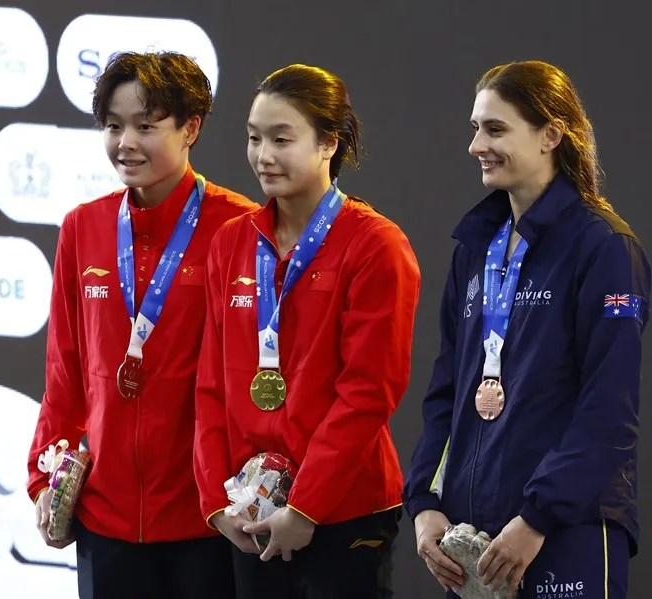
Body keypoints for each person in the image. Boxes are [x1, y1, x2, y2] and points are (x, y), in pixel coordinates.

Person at [403, 60, 651, 599]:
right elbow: (447, 390)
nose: (476, 145)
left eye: (495, 129)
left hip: (566, 529)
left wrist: (536, 518)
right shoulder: (475, 249)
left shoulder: (604, 247)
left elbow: (608, 408)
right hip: (476, 538)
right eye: (475, 128)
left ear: (550, 135)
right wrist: (425, 503)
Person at [26, 51, 257, 599]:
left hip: (206, 518)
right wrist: (45, 476)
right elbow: (65, 368)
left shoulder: (240, 228)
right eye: (113, 126)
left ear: (190, 128)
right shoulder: (84, 227)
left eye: (145, 126)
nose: (125, 143)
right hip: (104, 518)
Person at [192, 64, 421, 598]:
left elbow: (369, 392)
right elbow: (209, 388)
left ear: (327, 144)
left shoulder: (375, 246)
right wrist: (216, 504)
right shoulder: (230, 243)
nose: (263, 155)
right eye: (253, 138)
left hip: (345, 511)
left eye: (281, 139)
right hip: (251, 511)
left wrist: (306, 505)